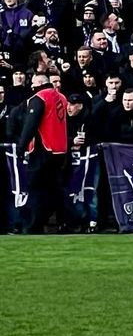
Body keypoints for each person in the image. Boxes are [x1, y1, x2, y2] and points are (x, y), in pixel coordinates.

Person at [16, 73, 70, 233]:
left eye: (33, 83)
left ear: (39, 83)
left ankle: (34, 226)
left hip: (43, 149)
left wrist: (21, 147)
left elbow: (30, 125)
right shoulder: (62, 97)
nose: (31, 86)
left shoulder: (40, 98)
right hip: (60, 150)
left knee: (36, 188)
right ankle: (64, 222)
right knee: (55, 188)